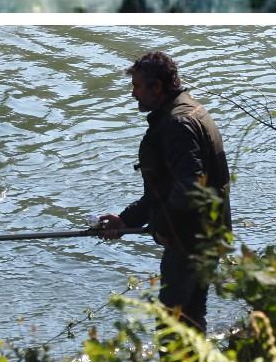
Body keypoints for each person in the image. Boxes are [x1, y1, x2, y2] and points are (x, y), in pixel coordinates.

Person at [96, 50, 232, 339]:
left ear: (157, 87)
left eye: (137, 87)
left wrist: (160, 224)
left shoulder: (176, 124)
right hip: (209, 234)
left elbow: (190, 186)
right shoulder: (191, 110)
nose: (134, 94)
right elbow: (170, 188)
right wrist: (125, 219)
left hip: (188, 241)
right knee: (191, 316)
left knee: (172, 320)